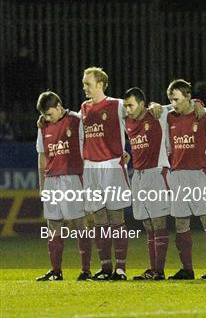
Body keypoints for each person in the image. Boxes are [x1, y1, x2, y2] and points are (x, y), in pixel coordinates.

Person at [166, 79, 206, 280]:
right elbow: (155, 109)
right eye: (171, 100)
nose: (174, 104)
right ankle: (187, 269)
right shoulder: (169, 117)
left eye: (177, 99)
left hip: (199, 173)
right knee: (180, 223)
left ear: (188, 97)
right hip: (178, 174)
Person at [35, 91, 92, 281]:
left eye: (50, 113)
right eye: (44, 115)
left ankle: (85, 270)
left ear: (59, 107)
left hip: (73, 178)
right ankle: (56, 271)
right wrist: (42, 185)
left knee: (80, 224)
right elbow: (42, 155)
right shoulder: (42, 126)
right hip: (52, 180)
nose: (47, 118)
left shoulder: (76, 120)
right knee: (53, 224)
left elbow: (89, 145)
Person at [81, 67, 131, 280]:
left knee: (116, 216)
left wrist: (157, 107)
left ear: (100, 85)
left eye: (88, 84)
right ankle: (105, 267)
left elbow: (140, 114)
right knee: (98, 218)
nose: (84, 88)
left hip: (112, 166)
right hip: (90, 168)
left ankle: (120, 268)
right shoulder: (84, 107)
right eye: (84, 84)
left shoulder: (117, 105)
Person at [123, 87, 171, 281]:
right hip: (139, 175)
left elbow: (187, 105)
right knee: (148, 224)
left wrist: (156, 105)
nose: (128, 109)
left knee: (158, 221)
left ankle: (159, 271)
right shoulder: (127, 122)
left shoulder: (157, 115)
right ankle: (153, 269)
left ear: (142, 104)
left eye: (131, 105)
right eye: (125, 106)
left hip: (156, 172)